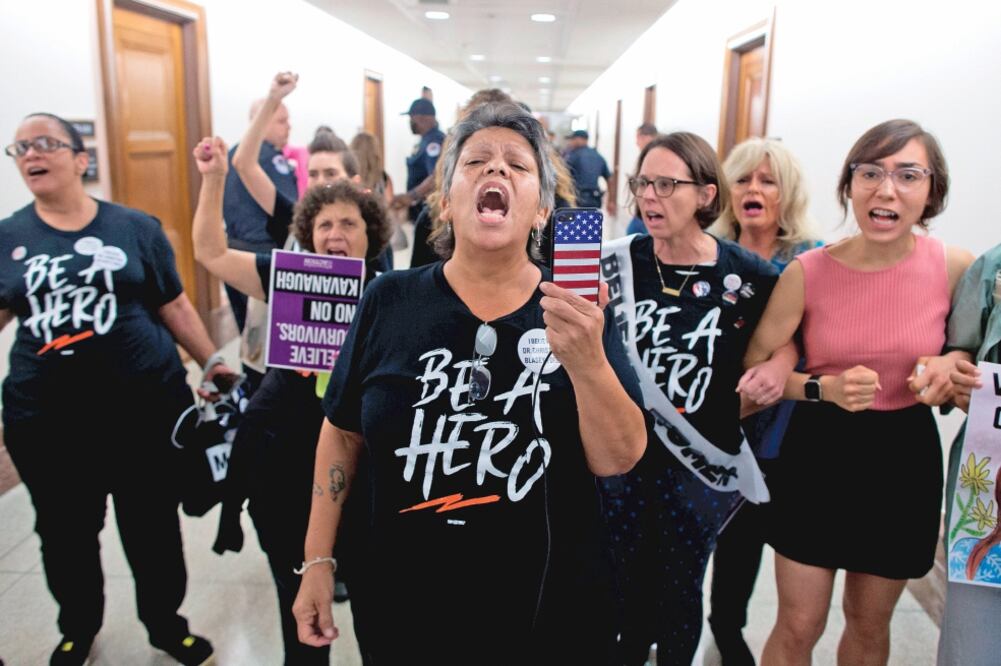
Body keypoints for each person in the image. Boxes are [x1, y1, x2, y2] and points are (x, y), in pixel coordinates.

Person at [291, 101, 648, 665]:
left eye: (518, 165)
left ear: (541, 211)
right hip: (404, 607)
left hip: (549, 611)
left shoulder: (576, 313)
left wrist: (587, 361)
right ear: (446, 202)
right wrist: (317, 560)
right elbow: (341, 432)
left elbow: (619, 457)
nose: (496, 169)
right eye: (476, 161)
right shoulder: (388, 300)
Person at [0, 112, 235, 666]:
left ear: (81, 159)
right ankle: (77, 628)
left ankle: (165, 625)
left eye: (44, 143)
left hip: (143, 413)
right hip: (46, 421)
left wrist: (212, 362)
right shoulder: (7, 237)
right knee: (65, 534)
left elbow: (174, 304)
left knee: (152, 528)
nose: (31, 154)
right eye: (20, 148)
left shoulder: (134, 228)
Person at [744, 119, 974, 665]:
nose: (885, 189)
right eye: (870, 173)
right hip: (817, 454)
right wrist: (822, 387)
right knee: (799, 623)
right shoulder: (809, 271)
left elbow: (969, 352)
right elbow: (756, 367)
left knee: (869, 624)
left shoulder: (953, 267)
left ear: (932, 190)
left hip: (902, 458)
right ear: (849, 185)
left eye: (907, 175)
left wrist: (952, 363)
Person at [193, 134, 391, 665]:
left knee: (376, 609)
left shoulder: (392, 295)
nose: (335, 233)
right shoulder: (287, 279)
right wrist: (214, 180)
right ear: (308, 234)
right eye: (324, 225)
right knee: (297, 606)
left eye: (348, 223)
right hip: (283, 471)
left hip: (364, 477)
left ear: (371, 235)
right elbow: (209, 252)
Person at [598, 132, 781, 665]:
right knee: (622, 588)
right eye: (642, 184)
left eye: (666, 185)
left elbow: (786, 339)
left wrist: (776, 369)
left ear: (705, 194)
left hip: (697, 463)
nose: (648, 197)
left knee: (681, 590)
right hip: (624, 459)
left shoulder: (749, 275)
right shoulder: (618, 262)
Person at [704, 137, 822, 664]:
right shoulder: (708, 250)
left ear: (786, 192)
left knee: (751, 534)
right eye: (744, 178)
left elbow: (814, 336)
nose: (754, 189)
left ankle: (730, 630)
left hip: (783, 421)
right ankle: (682, 623)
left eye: (767, 180)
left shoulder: (812, 258)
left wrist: (779, 365)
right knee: (702, 531)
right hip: (713, 412)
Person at [231, 72, 365, 393]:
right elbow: (244, 163)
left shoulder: (368, 234)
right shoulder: (293, 219)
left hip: (348, 372)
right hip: (295, 367)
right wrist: (273, 99)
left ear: (352, 181)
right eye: (313, 174)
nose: (321, 182)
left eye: (331, 173)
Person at [936, 242, 1001, 665]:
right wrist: (958, 376)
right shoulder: (995, 265)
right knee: (977, 642)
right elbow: (958, 347)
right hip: (989, 494)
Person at [223, 80, 297, 332]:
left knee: (247, 332)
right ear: (261, 122)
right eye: (281, 121)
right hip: (262, 254)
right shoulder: (270, 158)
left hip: (233, 252)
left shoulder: (231, 153)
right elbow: (290, 211)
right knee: (270, 334)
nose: (289, 126)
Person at [390, 96, 445, 223]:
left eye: (412, 118)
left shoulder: (434, 142)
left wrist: (411, 196)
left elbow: (436, 176)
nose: (410, 123)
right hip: (420, 209)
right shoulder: (425, 140)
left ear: (423, 118)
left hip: (428, 210)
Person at [564, 129, 615, 215]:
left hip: (577, 200)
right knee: (591, 222)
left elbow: (563, 177)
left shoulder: (573, 155)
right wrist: (611, 201)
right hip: (595, 200)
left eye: (573, 139)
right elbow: (609, 179)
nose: (571, 142)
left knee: (576, 223)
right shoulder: (598, 156)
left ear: (580, 139)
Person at [625, 124, 659, 236]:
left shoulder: (654, 154)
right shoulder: (649, 155)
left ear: (644, 137)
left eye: (637, 138)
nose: (636, 143)